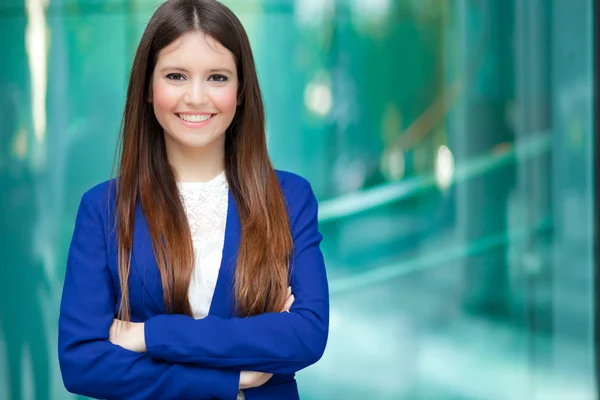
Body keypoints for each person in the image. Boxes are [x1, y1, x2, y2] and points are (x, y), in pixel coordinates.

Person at [57, 0, 329, 399]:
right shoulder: (103, 209)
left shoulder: (290, 199)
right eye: (176, 76)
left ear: (241, 91)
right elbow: (82, 362)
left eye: (217, 77)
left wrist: (148, 334)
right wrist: (231, 378)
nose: (197, 97)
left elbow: (306, 335)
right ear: (149, 89)